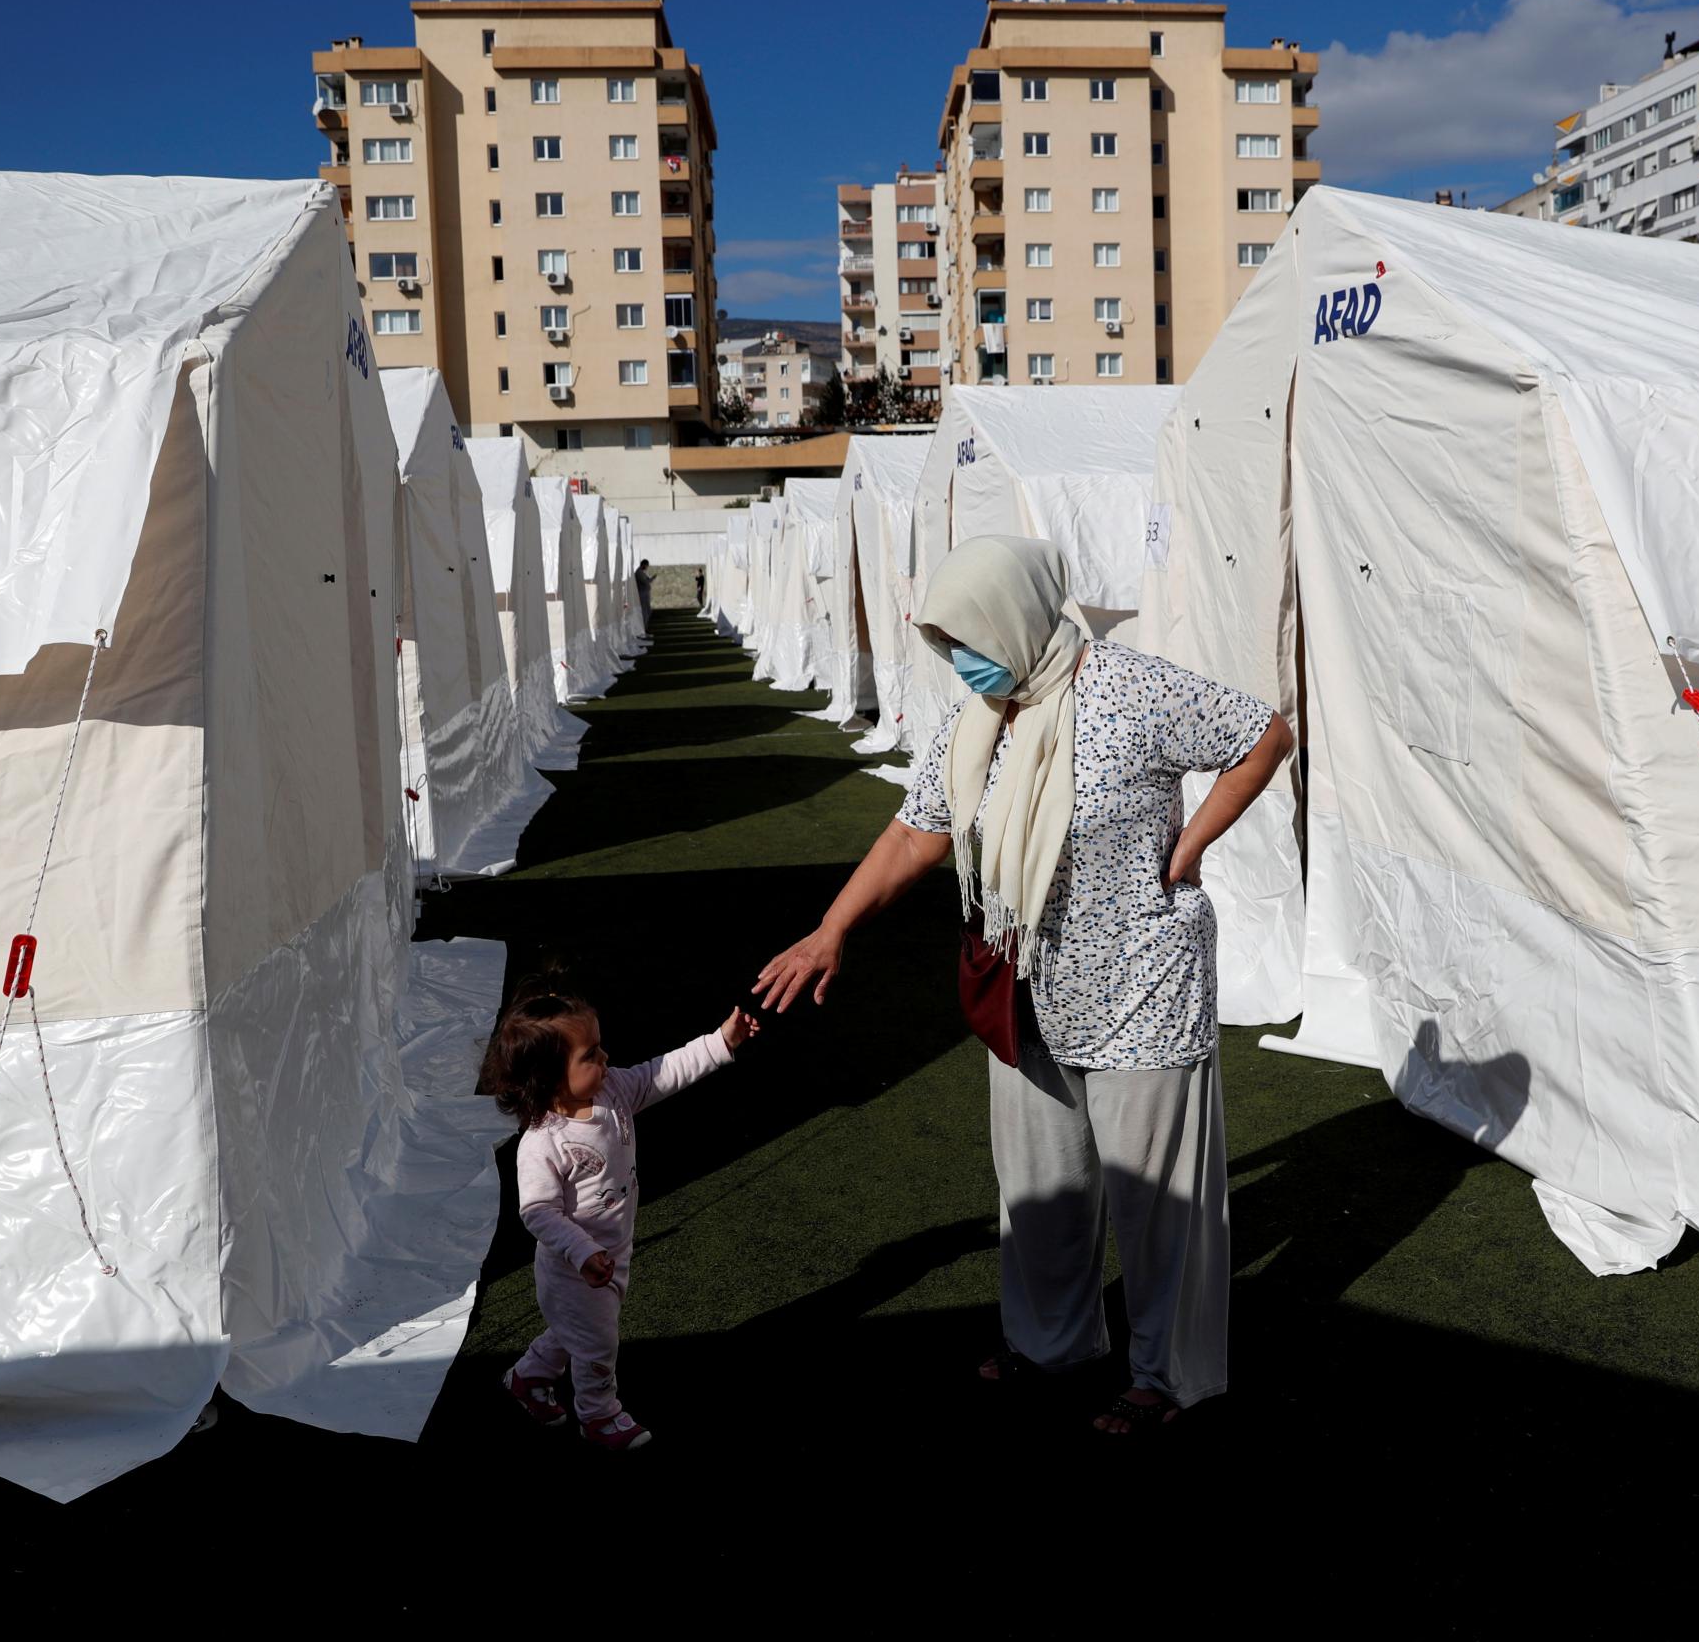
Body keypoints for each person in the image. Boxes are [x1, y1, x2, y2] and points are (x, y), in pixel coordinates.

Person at [753, 536, 1293, 1434]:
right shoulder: (979, 716)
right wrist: (831, 927)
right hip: (1027, 990)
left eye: (968, 635)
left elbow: (1262, 735)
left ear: (1017, 617)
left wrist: (1190, 846)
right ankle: (1053, 1343)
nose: (959, 657)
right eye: (945, 639)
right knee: (1041, 1193)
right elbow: (912, 832)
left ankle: (1165, 1375)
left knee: (1159, 1208)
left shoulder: (1134, 689)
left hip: (1141, 992)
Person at [483, 988, 762, 1451]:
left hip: (613, 1251)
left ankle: (528, 1376)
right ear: (550, 1079)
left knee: (577, 1328)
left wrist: (721, 1042)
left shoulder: (612, 1092)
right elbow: (538, 1212)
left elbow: (662, 1072)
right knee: (597, 1345)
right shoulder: (543, 1144)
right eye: (590, 1054)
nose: (606, 1057)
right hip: (575, 1270)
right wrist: (583, 1250)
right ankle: (599, 1415)